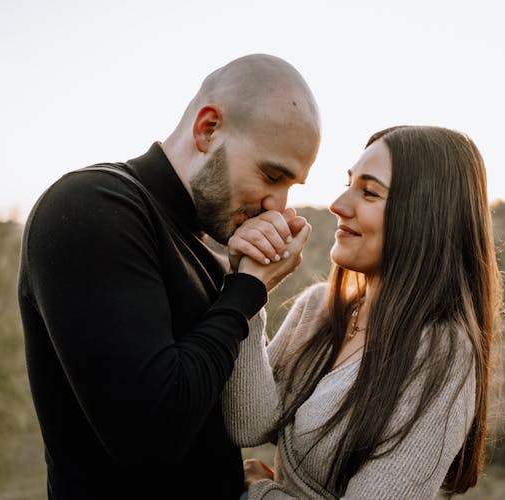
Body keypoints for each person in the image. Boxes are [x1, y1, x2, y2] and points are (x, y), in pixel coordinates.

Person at [17, 54, 320, 499]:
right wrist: (245, 291)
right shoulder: (92, 207)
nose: (276, 203)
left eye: (291, 187)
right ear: (208, 128)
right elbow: (149, 433)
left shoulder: (207, 254)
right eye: (272, 175)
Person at [223, 125, 503, 499]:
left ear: (424, 217)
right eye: (349, 183)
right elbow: (248, 423)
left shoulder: (441, 353)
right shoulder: (318, 308)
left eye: (369, 192)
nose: (339, 204)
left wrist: (260, 494)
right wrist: (249, 289)